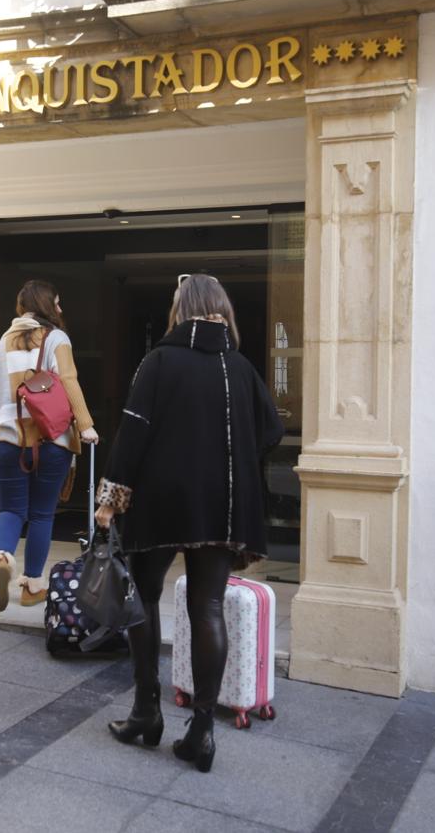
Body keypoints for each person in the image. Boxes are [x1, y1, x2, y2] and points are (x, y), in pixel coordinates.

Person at [95, 274, 283, 774]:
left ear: (182, 308)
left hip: (161, 498)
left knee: (144, 597)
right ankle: (201, 732)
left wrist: (110, 498)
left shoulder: (159, 360)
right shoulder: (239, 367)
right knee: (209, 607)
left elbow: (133, 431)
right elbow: (272, 429)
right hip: (222, 503)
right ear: (222, 310)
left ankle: (146, 711)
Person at [0, 280, 98, 611]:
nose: (60, 310)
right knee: (42, 514)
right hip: (50, 440)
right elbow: (69, 380)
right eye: (57, 304)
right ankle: (32, 586)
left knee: (9, 509)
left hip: (5, 439)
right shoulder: (56, 338)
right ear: (47, 306)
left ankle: (2, 557)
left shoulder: (4, 341)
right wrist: (86, 425)